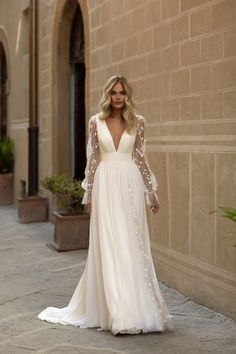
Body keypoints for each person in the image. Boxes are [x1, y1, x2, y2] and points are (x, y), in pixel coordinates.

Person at [38, 75, 174, 335]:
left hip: (130, 184)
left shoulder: (139, 122)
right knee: (109, 244)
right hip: (105, 185)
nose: (118, 97)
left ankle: (134, 309)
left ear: (127, 95)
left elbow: (140, 158)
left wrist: (151, 192)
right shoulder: (95, 122)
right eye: (113, 93)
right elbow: (92, 159)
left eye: (122, 92)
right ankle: (116, 313)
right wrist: (88, 194)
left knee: (130, 244)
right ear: (107, 96)